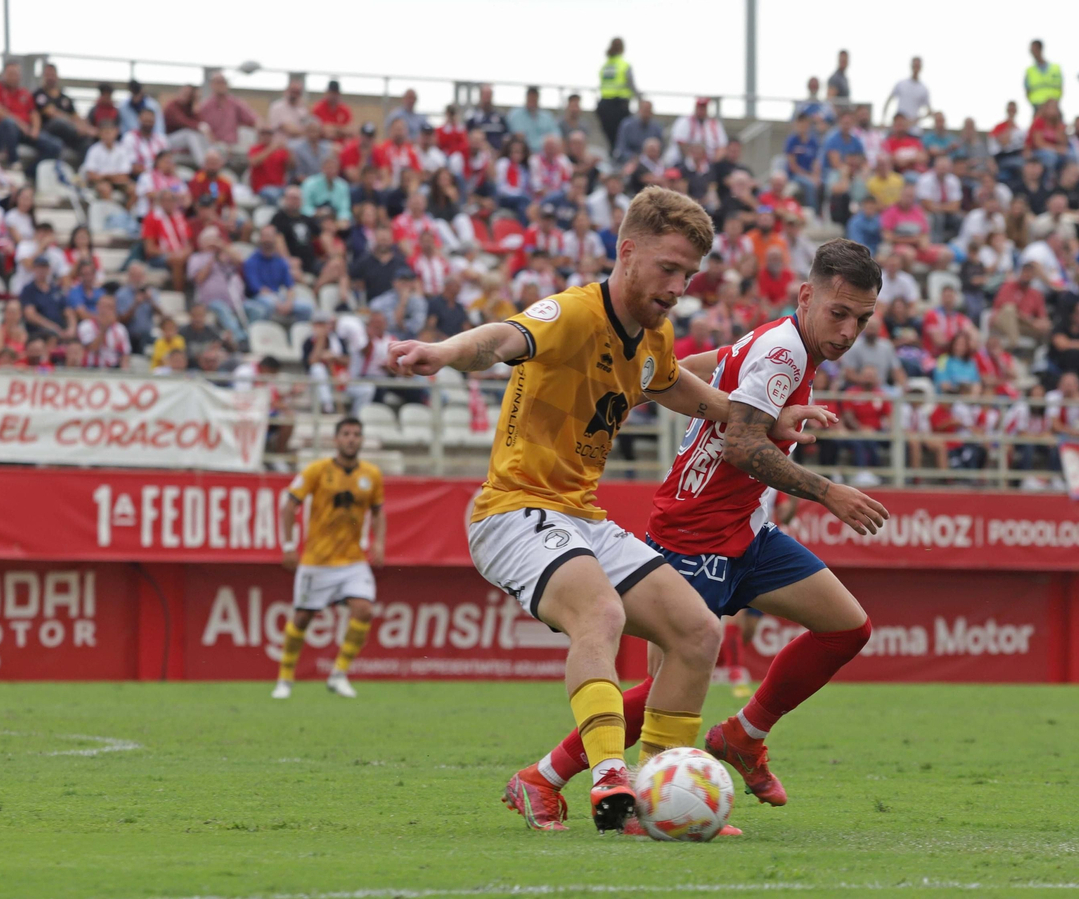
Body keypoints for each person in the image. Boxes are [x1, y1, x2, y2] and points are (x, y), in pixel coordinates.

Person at [385, 186, 834, 833]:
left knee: (697, 632)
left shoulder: (652, 333)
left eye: (687, 274)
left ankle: (659, 800)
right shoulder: (571, 314)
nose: (678, 285)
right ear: (627, 253)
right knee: (602, 611)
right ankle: (607, 777)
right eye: (668, 268)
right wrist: (442, 353)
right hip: (513, 510)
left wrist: (765, 415)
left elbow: (677, 384)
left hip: (579, 516)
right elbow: (503, 338)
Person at [502, 239, 890, 834]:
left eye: (861, 319)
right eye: (838, 313)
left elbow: (697, 368)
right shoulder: (785, 354)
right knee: (668, 684)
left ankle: (743, 736)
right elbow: (741, 443)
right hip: (694, 530)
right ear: (807, 297)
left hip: (747, 531)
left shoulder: (775, 344)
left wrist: (646, 379)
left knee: (846, 627)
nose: (848, 331)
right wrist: (828, 491)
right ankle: (543, 778)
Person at [272, 418, 386, 700]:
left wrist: (379, 542)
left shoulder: (371, 474)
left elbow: (379, 510)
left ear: (361, 440)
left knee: (364, 609)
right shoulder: (317, 470)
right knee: (302, 617)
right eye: (346, 434)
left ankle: (339, 674)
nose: (351, 439)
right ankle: (285, 678)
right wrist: (288, 545)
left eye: (356, 434)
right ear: (336, 440)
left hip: (352, 560)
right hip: (317, 561)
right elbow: (289, 505)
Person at [596, 37, 638, 148]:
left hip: (604, 106)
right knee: (621, 140)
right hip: (619, 106)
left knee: (612, 141)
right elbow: (631, 85)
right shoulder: (624, 65)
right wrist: (640, 98)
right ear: (622, 49)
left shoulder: (605, 66)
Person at [881, 56, 931, 125]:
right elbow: (889, 101)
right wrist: (883, 120)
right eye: (914, 65)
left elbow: (929, 111)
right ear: (911, 66)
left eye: (918, 66)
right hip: (898, 127)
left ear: (921, 68)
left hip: (914, 130)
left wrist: (914, 121)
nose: (916, 68)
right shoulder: (901, 84)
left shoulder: (924, 89)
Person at [1024, 39, 1063, 110]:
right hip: (1037, 108)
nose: (1032, 52)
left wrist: (1053, 103)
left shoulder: (1055, 68)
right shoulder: (1029, 71)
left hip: (1054, 108)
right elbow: (1027, 91)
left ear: (1040, 49)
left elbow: (1060, 88)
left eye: (1034, 49)